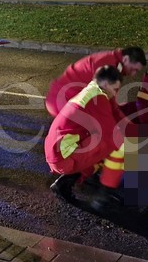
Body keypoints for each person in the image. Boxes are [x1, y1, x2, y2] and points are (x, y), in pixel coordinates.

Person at [45, 65, 126, 207]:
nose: (115, 93)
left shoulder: (94, 89)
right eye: (115, 89)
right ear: (106, 84)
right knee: (115, 140)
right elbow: (111, 134)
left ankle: (69, 180)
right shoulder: (98, 99)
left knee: (102, 138)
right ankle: (105, 195)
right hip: (64, 157)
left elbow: (114, 113)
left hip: (60, 151)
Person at [45, 46, 146, 117]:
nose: (133, 74)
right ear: (126, 59)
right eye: (134, 69)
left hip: (60, 100)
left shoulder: (112, 60)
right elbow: (106, 101)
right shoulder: (109, 66)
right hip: (63, 103)